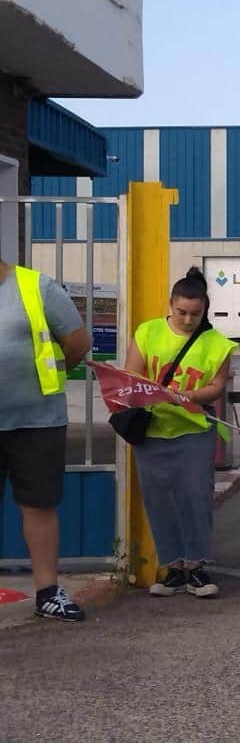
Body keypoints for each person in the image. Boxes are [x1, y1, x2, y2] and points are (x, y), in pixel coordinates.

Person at [124, 268, 238, 600]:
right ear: (171, 304)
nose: (188, 320)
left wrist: (187, 396)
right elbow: (132, 375)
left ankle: (197, 566)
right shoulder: (148, 331)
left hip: (194, 431)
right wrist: (155, 393)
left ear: (205, 310)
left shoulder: (217, 344)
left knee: (196, 497)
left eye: (195, 314)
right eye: (181, 312)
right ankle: (172, 568)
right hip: (152, 431)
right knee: (159, 500)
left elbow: (217, 386)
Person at [0, 258, 91, 621]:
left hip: (38, 421)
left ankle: (48, 592)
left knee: (39, 506)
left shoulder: (37, 287)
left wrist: (39, 382)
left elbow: (78, 342)